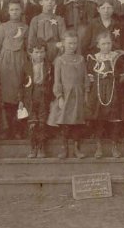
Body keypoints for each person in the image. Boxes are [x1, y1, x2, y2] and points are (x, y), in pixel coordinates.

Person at [86, 31, 124, 159]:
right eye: (103, 44)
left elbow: (123, 75)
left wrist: (115, 79)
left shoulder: (117, 57)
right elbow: (90, 77)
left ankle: (114, 145)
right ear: (98, 45)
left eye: (108, 43)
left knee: (115, 119)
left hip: (114, 92)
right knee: (99, 119)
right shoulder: (93, 58)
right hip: (98, 93)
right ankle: (99, 146)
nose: (106, 46)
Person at [48, 31, 88, 159]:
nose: (72, 46)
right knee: (64, 122)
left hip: (78, 95)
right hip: (66, 95)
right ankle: (64, 149)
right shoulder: (59, 60)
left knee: (77, 122)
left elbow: (85, 78)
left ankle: (76, 149)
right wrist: (59, 96)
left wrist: (86, 93)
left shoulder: (81, 59)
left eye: (75, 43)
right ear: (64, 44)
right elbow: (57, 80)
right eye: (69, 43)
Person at [0, 0, 29, 139]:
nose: (15, 12)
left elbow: (27, 47)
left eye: (17, 9)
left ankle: (18, 129)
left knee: (18, 93)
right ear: (8, 12)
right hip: (5, 62)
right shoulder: (3, 26)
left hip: (20, 60)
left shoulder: (25, 27)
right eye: (12, 9)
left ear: (21, 11)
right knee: (5, 94)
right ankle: (6, 128)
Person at [19, 41, 52, 158]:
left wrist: (51, 97)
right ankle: (33, 147)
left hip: (44, 96)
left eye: (42, 52)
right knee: (32, 123)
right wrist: (21, 100)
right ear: (30, 53)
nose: (39, 55)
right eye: (36, 52)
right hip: (30, 97)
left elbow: (51, 83)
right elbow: (21, 84)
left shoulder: (49, 66)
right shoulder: (26, 66)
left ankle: (42, 147)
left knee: (42, 122)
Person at [27, 0, 66, 64]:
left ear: (55, 3)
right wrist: (33, 56)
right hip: (40, 52)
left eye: (52, 0)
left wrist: (59, 56)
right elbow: (31, 40)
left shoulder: (59, 19)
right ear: (41, 2)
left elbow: (64, 39)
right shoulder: (36, 19)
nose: (50, 2)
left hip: (55, 52)